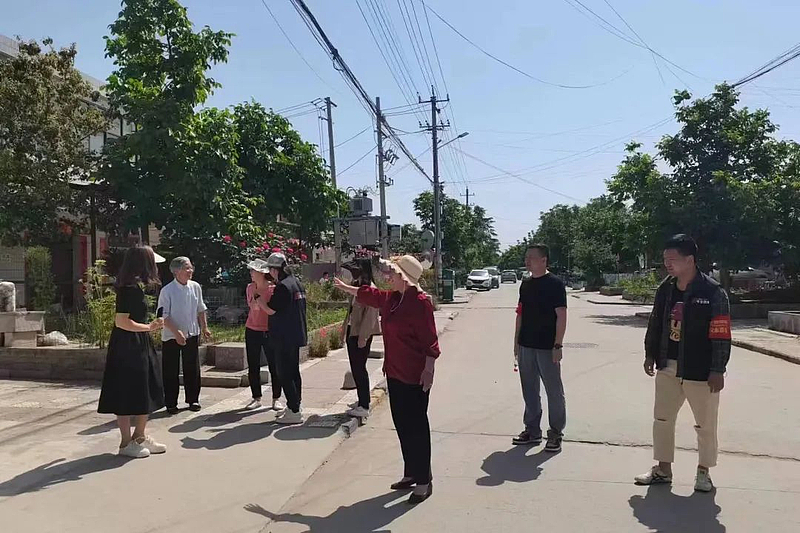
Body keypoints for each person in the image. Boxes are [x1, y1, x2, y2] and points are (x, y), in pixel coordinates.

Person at [333, 255, 440, 505]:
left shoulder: (420, 303)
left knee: (416, 428)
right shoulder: (393, 298)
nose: (387, 277)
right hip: (393, 372)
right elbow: (372, 295)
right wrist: (347, 288)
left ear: (404, 276)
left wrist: (429, 370)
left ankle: (424, 481)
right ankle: (411, 473)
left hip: (414, 375)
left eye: (391, 273)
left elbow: (430, 341)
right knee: (402, 425)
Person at [635, 234, 731, 492]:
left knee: (705, 424)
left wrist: (718, 369)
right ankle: (663, 469)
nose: (667, 264)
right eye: (665, 259)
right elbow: (656, 322)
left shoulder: (712, 292)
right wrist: (650, 353)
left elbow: (721, 333)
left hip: (700, 370)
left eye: (672, 259)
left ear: (690, 260)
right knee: (662, 419)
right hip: (668, 365)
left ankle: (703, 472)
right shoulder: (665, 289)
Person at [98, 245, 167, 458]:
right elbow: (121, 321)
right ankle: (126, 442)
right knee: (127, 390)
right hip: (128, 345)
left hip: (138, 342)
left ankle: (139, 437)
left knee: (146, 387)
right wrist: (149, 327)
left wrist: (148, 328)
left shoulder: (135, 286)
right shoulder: (129, 289)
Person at [512, 244, 568, 453]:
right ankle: (532, 430)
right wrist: (516, 342)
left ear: (544, 260)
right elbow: (520, 313)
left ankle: (555, 433)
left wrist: (558, 344)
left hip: (547, 347)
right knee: (529, 389)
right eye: (526, 257)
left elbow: (561, 315)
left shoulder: (555, 284)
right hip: (526, 345)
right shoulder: (525, 284)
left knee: (553, 391)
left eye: (531, 258)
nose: (527, 261)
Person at [158, 257, 211, 414]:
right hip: (171, 335)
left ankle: (193, 399)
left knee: (192, 368)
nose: (190, 271)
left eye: (190, 267)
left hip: (191, 333)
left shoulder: (195, 287)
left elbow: (201, 308)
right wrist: (176, 332)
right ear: (176, 271)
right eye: (187, 268)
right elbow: (163, 315)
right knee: (170, 369)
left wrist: (205, 327)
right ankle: (171, 403)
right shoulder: (167, 291)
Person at [263, 253, 307, 424]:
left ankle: (294, 411)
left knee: (284, 373)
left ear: (275, 270)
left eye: (270, 270)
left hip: (283, 336)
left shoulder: (282, 287)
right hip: (295, 333)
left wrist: (259, 301)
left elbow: (271, 309)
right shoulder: (296, 283)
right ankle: (295, 405)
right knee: (294, 371)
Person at [340, 258, 381, 418]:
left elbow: (370, 317)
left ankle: (364, 404)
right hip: (353, 331)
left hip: (360, 334)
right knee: (355, 367)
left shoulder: (370, 289)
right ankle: (361, 400)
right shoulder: (357, 286)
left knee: (359, 369)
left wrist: (363, 337)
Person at [244, 258, 284, 411]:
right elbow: (251, 306)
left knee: (274, 365)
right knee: (253, 364)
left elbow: (271, 309)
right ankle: (256, 397)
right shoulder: (250, 287)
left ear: (261, 273)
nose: (251, 273)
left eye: (253, 271)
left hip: (268, 330)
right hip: (252, 328)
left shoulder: (272, 288)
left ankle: (276, 398)